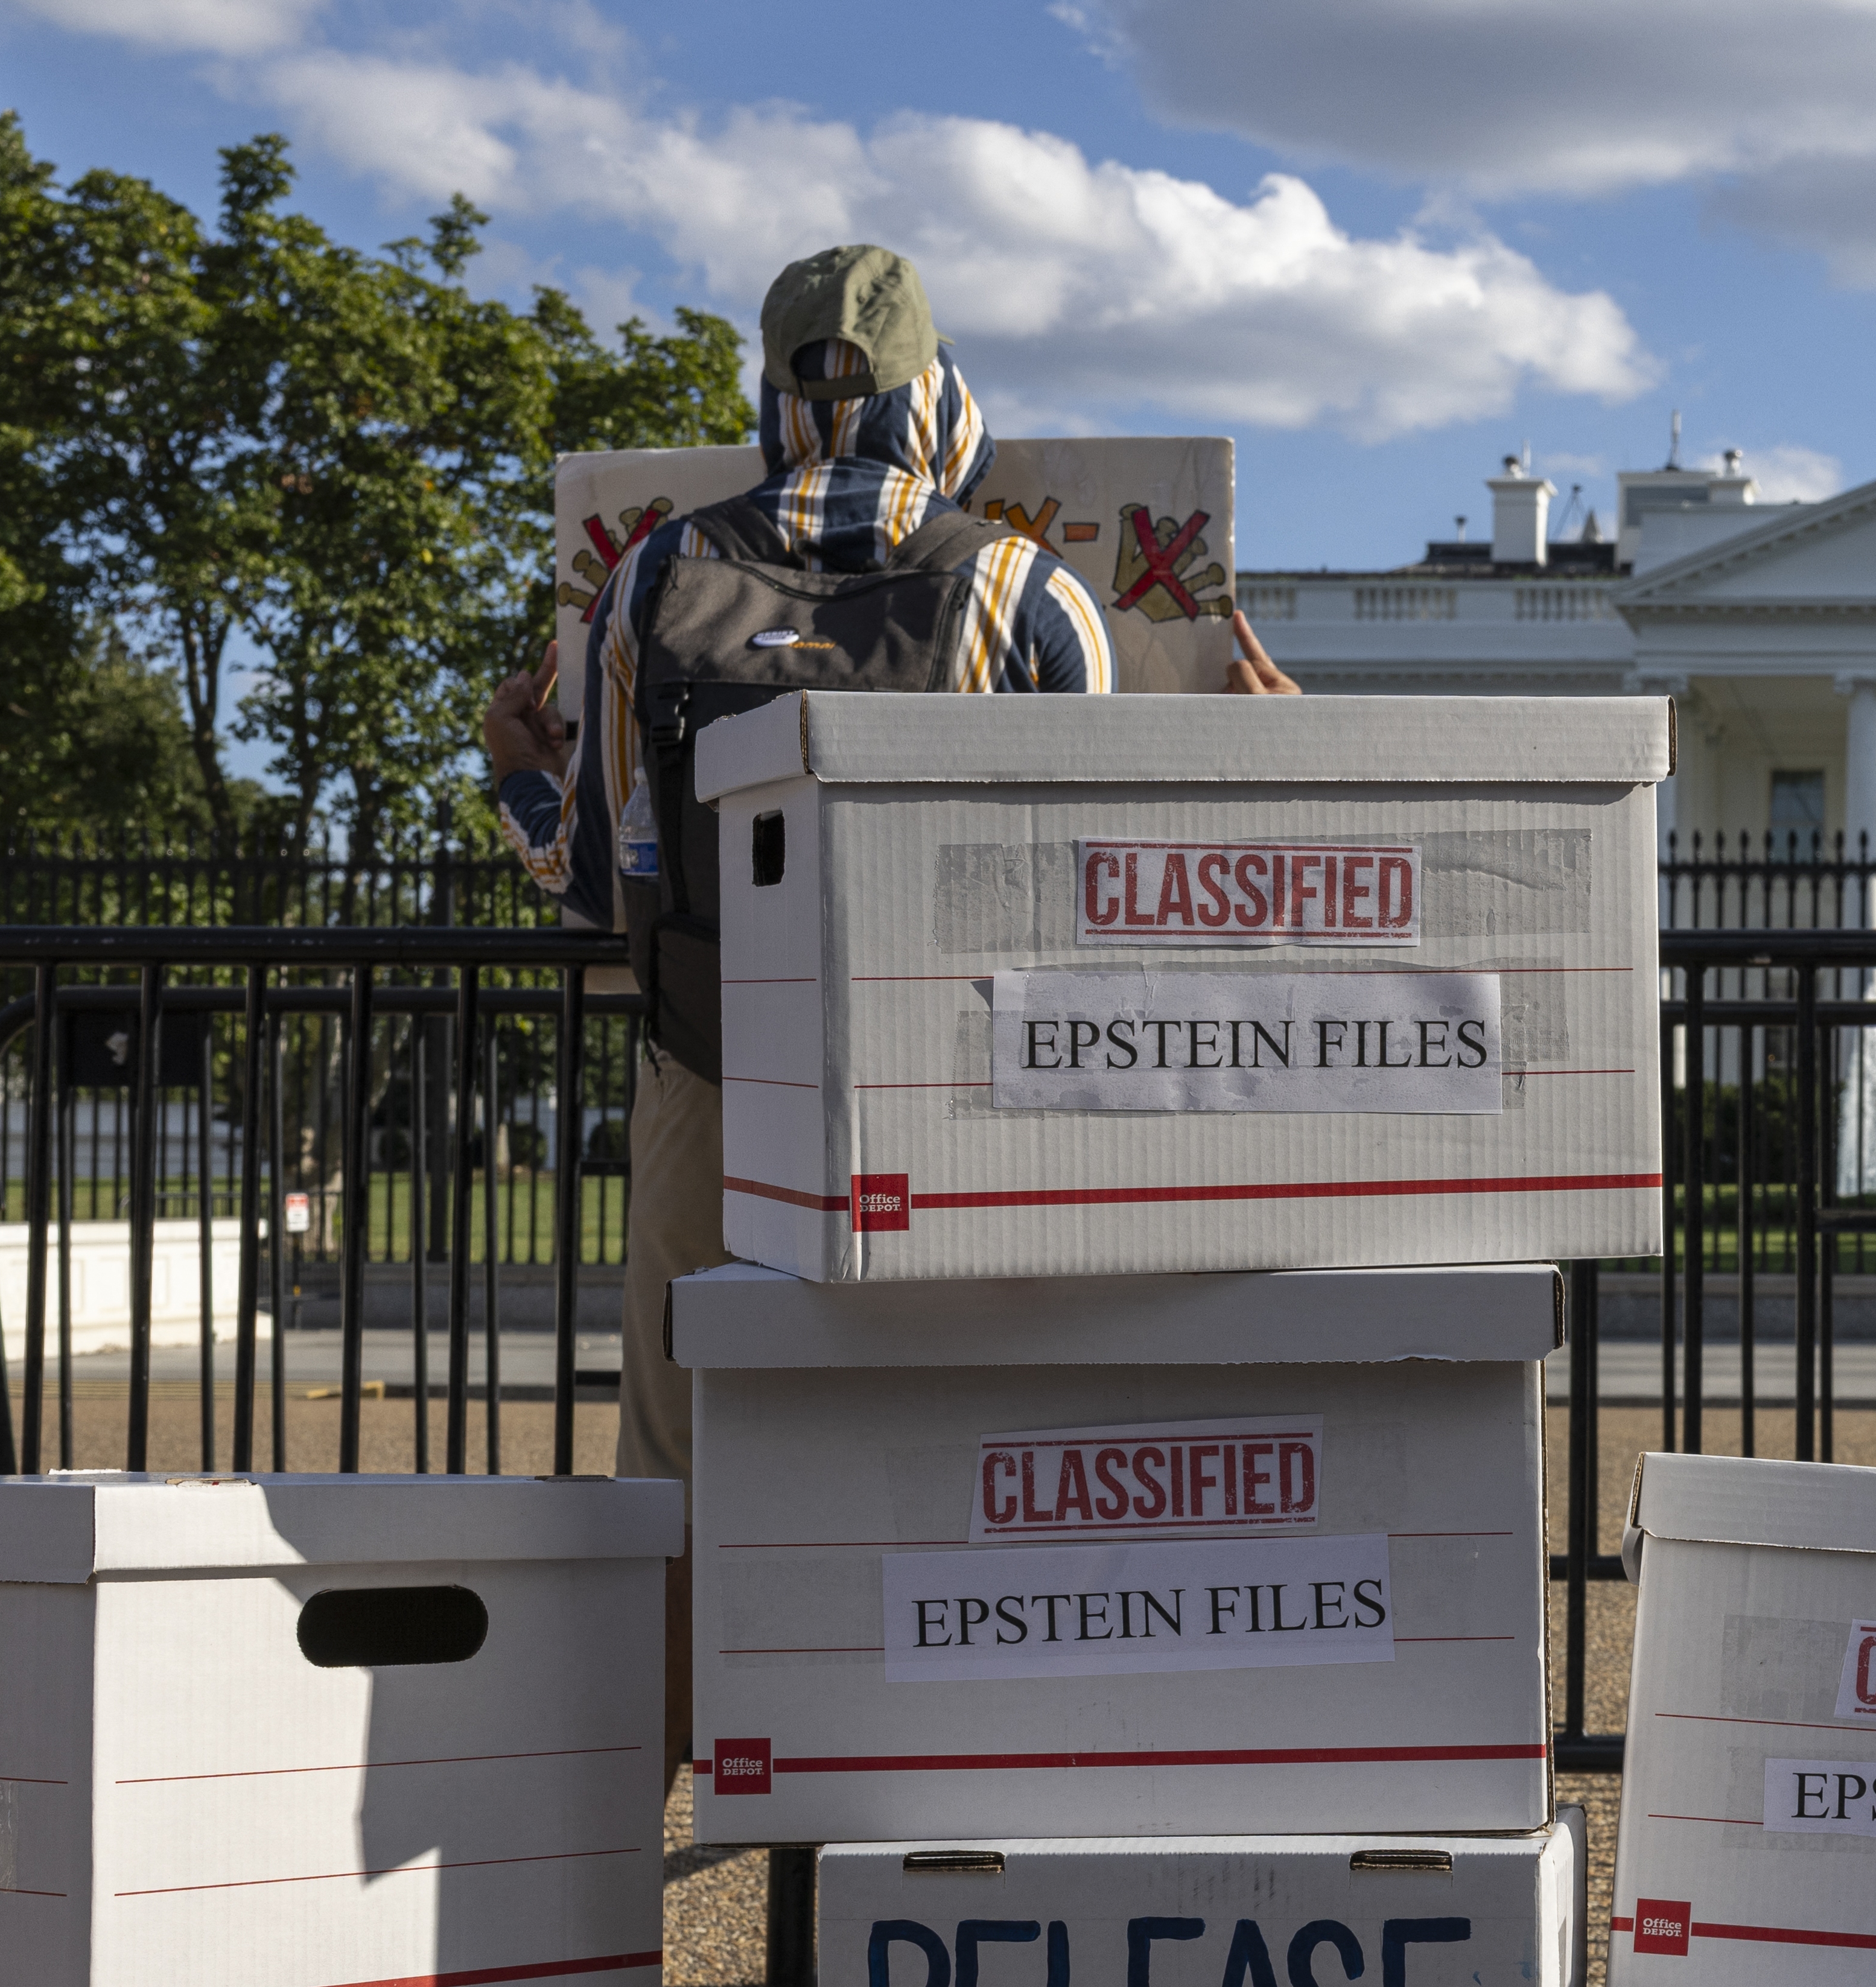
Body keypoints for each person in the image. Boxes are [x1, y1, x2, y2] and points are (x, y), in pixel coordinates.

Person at [483, 242, 1298, 1776]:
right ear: (936, 394)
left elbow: (594, 874)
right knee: (971, 1429)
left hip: (713, 1074)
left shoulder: (656, 577)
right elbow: (1116, 894)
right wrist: (1279, 763)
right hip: (967, 1095)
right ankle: (946, 1782)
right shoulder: (1029, 593)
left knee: (680, 1450)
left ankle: (655, 1810)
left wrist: (512, 761)